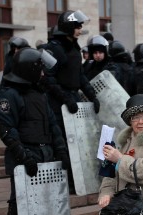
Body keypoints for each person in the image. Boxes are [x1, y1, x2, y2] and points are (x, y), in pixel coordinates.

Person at [0, 47, 70, 215]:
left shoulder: (39, 94)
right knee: (19, 207)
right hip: (24, 159)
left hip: (45, 156)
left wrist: (61, 151)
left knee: (47, 205)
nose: (43, 74)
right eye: (41, 70)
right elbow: (7, 130)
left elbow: (53, 125)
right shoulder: (9, 95)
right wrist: (24, 156)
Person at [42, 10, 100, 193]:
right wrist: (65, 98)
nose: (80, 29)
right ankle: (65, 182)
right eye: (77, 26)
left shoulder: (74, 46)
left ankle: (77, 180)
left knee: (77, 142)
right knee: (62, 144)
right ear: (68, 27)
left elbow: (80, 75)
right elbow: (48, 79)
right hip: (57, 102)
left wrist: (92, 95)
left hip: (72, 100)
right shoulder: (53, 48)